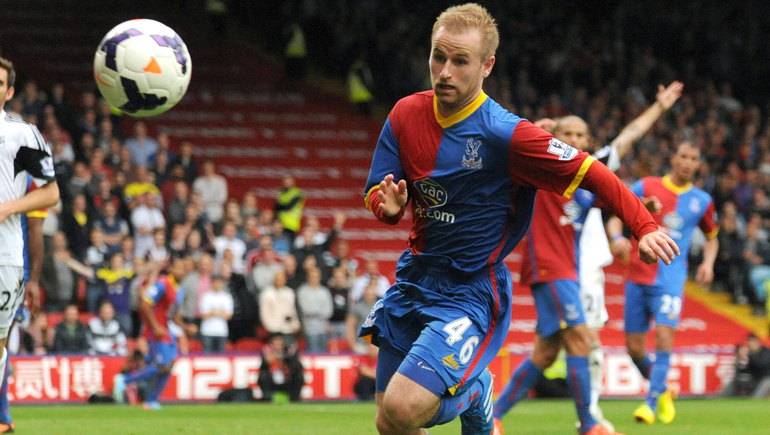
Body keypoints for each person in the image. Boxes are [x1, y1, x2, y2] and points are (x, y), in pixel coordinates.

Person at [359, 5, 678, 435]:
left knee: (403, 407)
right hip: (414, 278)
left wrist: (644, 225)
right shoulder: (404, 114)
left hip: (470, 290)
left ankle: (477, 393)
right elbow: (377, 189)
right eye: (438, 56)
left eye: (460, 61)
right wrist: (388, 208)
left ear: (487, 65)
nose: (445, 72)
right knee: (389, 423)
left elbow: (597, 173)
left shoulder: (507, 134)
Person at [494, 82, 684, 433]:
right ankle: (589, 424)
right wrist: (536, 126)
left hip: (570, 270)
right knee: (582, 338)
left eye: (581, 134)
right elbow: (511, 142)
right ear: (553, 136)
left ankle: (493, 416)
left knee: (545, 354)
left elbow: (625, 145)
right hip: (550, 267)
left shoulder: (585, 176)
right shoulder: (537, 165)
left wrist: (642, 208)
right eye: (567, 132)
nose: (575, 139)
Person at [607, 141, 718, 424]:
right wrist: (617, 237)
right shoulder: (647, 185)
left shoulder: (702, 200)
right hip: (637, 276)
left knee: (665, 336)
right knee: (634, 350)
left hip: (670, 279)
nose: (687, 162)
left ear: (698, 164)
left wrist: (707, 262)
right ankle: (665, 389)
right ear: (673, 158)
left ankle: (651, 404)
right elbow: (617, 214)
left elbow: (712, 237)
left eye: (694, 157)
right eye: (683, 155)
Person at [0, 57, 60, 432]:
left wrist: (9, 206)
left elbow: (51, 192)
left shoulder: (22, 134)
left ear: (7, 93)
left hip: (3, 258)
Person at [113, 257, 197, 410]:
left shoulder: (179, 290)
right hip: (157, 331)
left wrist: (185, 327)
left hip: (167, 330)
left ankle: (151, 400)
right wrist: (155, 326)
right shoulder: (162, 283)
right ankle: (124, 380)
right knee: (162, 365)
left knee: (168, 366)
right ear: (171, 269)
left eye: (184, 269)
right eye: (178, 268)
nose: (181, 271)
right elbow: (145, 304)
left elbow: (174, 315)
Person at [297, 267, 334, 353]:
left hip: (323, 329)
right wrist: (320, 311)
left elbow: (329, 312)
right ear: (308, 277)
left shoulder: (325, 291)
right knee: (312, 354)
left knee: (323, 356)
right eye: (312, 276)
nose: (314, 278)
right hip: (309, 329)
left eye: (316, 276)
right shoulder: (302, 291)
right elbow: (306, 310)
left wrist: (314, 312)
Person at [258, 334, 304, 402]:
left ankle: (295, 398)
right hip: (272, 380)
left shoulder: (290, 351)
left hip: (287, 380)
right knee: (263, 376)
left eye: (280, 341)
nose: (278, 344)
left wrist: (287, 358)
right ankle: (267, 398)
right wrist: (268, 361)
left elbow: (298, 367)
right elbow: (262, 368)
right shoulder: (267, 351)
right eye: (276, 341)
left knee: (299, 376)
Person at [259, 269, 301, 342]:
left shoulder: (289, 292)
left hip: (288, 328)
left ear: (285, 280)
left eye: (282, 279)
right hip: (274, 329)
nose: (279, 281)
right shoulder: (267, 293)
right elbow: (264, 313)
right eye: (278, 279)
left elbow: (292, 310)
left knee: (289, 350)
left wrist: (295, 324)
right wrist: (272, 327)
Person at [199, 274, 234, 353]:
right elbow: (205, 315)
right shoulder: (206, 297)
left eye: (219, 282)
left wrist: (213, 311)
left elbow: (229, 315)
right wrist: (220, 312)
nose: (217, 285)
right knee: (206, 355)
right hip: (207, 331)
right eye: (215, 282)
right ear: (211, 283)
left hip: (222, 331)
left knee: (221, 356)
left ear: (222, 283)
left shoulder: (227, 297)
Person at [192, 159, 228, 230]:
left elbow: (222, 199)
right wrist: (213, 199)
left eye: (209, 166)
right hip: (201, 215)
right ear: (203, 168)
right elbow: (196, 200)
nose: (208, 169)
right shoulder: (198, 182)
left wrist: (204, 200)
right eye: (206, 167)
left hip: (217, 215)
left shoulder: (220, 181)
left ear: (213, 167)